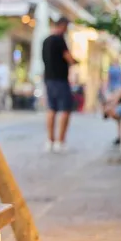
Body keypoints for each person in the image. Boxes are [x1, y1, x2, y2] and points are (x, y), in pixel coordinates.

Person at [42, 18, 77, 153]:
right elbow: (69, 58)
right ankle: (60, 141)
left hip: (48, 79)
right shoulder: (59, 40)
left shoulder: (45, 41)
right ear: (63, 26)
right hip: (60, 79)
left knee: (51, 109)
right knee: (65, 110)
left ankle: (50, 140)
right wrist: (75, 61)